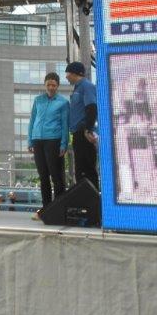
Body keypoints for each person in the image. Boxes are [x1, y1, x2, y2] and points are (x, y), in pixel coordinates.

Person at [28, 72, 69, 219]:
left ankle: (58, 209)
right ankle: (46, 210)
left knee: (56, 177)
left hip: (54, 141)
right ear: (45, 85)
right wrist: (30, 140)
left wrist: (64, 144)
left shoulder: (63, 103)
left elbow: (65, 125)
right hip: (38, 140)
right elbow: (32, 121)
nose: (51, 87)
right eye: (48, 84)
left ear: (58, 86)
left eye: (54, 85)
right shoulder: (38, 100)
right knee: (43, 176)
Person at [65, 62, 99, 191]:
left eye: (68, 73)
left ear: (74, 73)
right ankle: (83, 199)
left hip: (84, 133)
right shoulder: (77, 88)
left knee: (88, 169)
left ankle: (93, 202)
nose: (67, 77)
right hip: (77, 134)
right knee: (80, 170)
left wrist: (88, 129)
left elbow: (92, 108)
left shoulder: (86, 86)